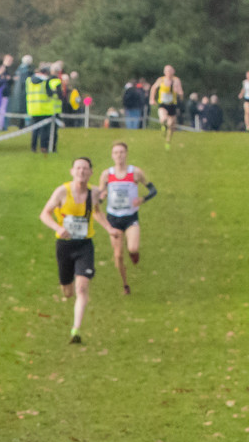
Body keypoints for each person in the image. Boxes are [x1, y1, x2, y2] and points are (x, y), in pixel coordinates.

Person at [38, 155, 98, 342]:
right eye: (78, 168)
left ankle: (76, 330)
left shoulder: (93, 193)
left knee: (82, 288)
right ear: (72, 171)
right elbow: (44, 214)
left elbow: (98, 213)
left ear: (90, 172)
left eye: (85, 168)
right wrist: (58, 227)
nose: (81, 171)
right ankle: (67, 290)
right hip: (64, 246)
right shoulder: (62, 192)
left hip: (84, 245)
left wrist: (111, 229)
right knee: (68, 290)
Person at [100, 139, 155, 295]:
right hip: (113, 219)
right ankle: (125, 285)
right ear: (112, 155)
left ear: (126, 154)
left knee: (132, 248)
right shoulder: (106, 174)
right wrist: (101, 196)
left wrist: (142, 199)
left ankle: (134, 254)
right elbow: (100, 195)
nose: (119, 155)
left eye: (122, 152)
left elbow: (153, 190)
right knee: (118, 255)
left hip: (130, 217)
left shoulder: (135, 172)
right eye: (116, 152)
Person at [25, 63, 59, 153]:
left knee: (35, 129)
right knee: (44, 130)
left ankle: (33, 147)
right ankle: (43, 147)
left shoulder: (29, 80)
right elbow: (49, 94)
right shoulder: (46, 81)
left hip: (33, 108)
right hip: (44, 109)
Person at [151, 66, 184, 146]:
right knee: (163, 118)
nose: (168, 73)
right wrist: (152, 99)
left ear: (173, 71)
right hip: (163, 103)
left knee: (171, 124)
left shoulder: (176, 80)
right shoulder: (161, 80)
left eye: (170, 71)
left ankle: (168, 140)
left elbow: (180, 91)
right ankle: (163, 126)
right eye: (167, 71)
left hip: (172, 104)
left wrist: (180, 94)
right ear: (164, 72)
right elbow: (153, 88)